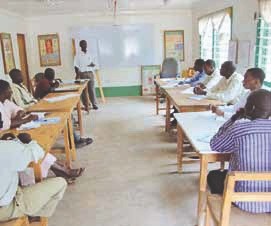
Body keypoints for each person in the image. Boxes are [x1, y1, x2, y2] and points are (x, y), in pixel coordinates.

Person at [0, 79, 85, 181]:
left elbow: (17, 109)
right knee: (30, 147)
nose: (11, 92)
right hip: (4, 139)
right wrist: (26, 119)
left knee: (35, 144)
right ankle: (62, 169)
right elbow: (5, 125)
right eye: (9, 90)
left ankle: (61, 168)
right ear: (2, 92)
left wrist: (19, 113)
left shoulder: (5, 102)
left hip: (9, 134)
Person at [208, 89, 271, 213]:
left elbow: (215, 145)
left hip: (244, 201)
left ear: (250, 108)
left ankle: (229, 209)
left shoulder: (239, 129)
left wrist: (234, 118)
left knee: (213, 176)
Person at [0, 132, 67, 221]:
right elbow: (39, 152)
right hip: (6, 209)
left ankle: (30, 212)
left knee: (19, 172)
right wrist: (28, 141)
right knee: (61, 183)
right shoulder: (5, 148)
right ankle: (34, 215)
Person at [33, 68, 93, 148]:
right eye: (51, 74)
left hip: (47, 103)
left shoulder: (47, 81)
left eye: (53, 74)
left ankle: (75, 137)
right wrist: (55, 85)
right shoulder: (44, 82)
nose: (53, 76)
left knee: (68, 112)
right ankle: (75, 141)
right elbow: (50, 91)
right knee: (66, 114)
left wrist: (55, 83)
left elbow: (50, 88)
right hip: (43, 107)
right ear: (46, 75)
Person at [74, 40, 98, 110]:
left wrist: (93, 64)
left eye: (86, 44)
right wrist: (77, 74)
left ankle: (94, 104)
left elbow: (93, 63)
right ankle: (86, 105)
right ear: (80, 45)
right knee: (83, 90)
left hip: (90, 73)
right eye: (83, 44)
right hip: (82, 74)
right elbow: (75, 65)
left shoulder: (90, 53)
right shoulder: (78, 55)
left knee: (92, 89)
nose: (85, 45)